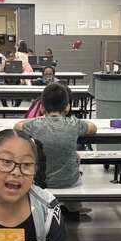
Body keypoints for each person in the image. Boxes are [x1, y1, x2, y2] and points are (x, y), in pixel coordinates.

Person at [16, 82, 96, 215]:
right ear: (67, 107)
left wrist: (37, 120)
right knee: (76, 159)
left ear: (42, 107)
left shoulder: (35, 124)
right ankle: (75, 207)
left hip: (41, 183)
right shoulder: (74, 123)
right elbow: (93, 127)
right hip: (70, 181)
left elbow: (17, 126)